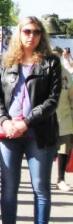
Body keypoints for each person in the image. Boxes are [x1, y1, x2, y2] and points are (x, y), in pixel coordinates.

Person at [0, 16, 62, 224]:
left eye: (37, 32)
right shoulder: (7, 61)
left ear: (42, 35)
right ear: (19, 33)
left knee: (40, 188)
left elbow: (52, 100)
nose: (32, 36)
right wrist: (4, 120)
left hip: (38, 132)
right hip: (9, 132)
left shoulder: (51, 62)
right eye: (27, 31)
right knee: (9, 188)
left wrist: (26, 123)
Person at [53, 46, 73, 192]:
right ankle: (42, 179)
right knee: (46, 150)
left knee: (64, 149)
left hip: (64, 117)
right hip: (44, 118)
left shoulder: (66, 74)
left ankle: (60, 179)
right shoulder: (40, 71)